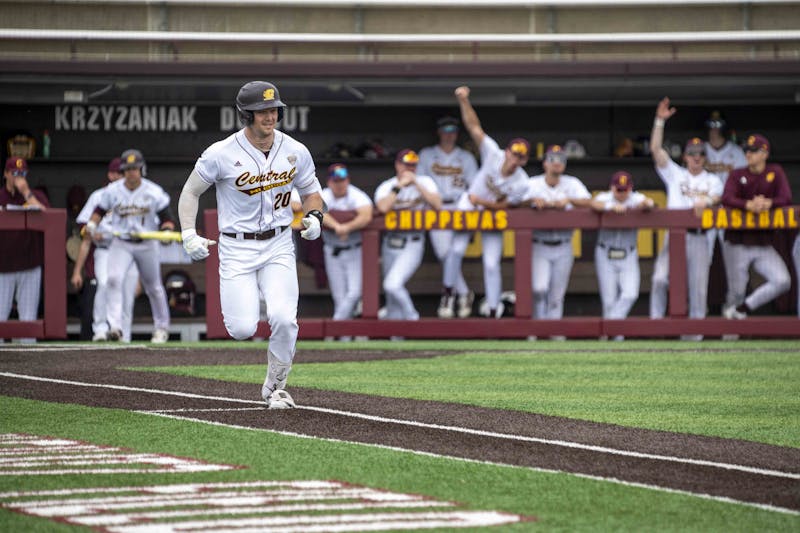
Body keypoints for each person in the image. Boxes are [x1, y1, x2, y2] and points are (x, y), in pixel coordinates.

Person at [178, 80, 324, 410]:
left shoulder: (295, 150)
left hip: (279, 243)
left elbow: (312, 190)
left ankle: (277, 386)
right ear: (246, 114)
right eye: (262, 111)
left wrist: (315, 217)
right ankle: (262, 349)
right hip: (236, 247)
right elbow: (190, 192)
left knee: (285, 319)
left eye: (273, 110)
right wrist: (188, 232)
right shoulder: (221, 153)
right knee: (242, 328)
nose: (270, 116)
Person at [451, 85, 532, 318]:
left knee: (491, 264)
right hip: (469, 204)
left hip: (491, 213)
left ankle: (494, 310)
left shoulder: (522, 182)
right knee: (454, 251)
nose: (516, 159)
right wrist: (464, 101)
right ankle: (451, 296)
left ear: (525, 160)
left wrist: (483, 203)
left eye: (521, 157)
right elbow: (474, 127)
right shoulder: (493, 153)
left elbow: (507, 206)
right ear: (507, 152)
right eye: (514, 154)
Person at [85, 149, 174, 343]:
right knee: (114, 280)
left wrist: (167, 232)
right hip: (122, 242)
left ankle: (161, 328)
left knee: (154, 287)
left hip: (147, 242)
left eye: (135, 168)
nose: (131, 173)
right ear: (123, 170)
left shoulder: (153, 191)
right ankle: (115, 327)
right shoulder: (114, 190)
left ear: (141, 168)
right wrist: (91, 225)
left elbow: (167, 218)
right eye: (128, 169)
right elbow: (99, 210)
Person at [649, 97, 724, 326]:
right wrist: (660, 121)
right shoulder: (676, 174)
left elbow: (719, 196)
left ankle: (694, 338)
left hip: (700, 237)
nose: (696, 157)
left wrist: (707, 199)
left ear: (705, 157)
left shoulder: (713, 179)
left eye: (700, 153)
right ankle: (655, 325)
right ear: (685, 156)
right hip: (674, 236)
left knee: (698, 289)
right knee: (660, 279)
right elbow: (655, 149)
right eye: (692, 153)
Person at [721, 134, 792, 319]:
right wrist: (748, 205)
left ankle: (745, 308)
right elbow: (727, 198)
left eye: (753, 151)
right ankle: (728, 339)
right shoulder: (737, 174)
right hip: (737, 241)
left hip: (763, 242)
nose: (748, 154)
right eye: (746, 151)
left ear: (764, 153)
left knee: (782, 280)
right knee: (736, 292)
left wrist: (769, 203)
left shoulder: (775, 172)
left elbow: (786, 198)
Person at [71, 157, 140, 342]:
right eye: (119, 172)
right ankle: (100, 329)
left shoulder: (135, 197)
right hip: (105, 249)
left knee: (126, 292)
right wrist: (94, 234)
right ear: (111, 174)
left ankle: (123, 333)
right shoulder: (99, 196)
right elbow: (84, 228)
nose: (122, 176)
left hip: (127, 249)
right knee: (103, 283)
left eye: (125, 172)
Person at [417, 116, 479, 319]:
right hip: (437, 208)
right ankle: (463, 293)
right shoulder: (427, 155)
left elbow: (474, 187)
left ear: (457, 133)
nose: (449, 134)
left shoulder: (466, 157)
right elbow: (420, 183)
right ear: (439, 132)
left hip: (461, 207)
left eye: (453, 130)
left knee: (457, 251)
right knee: (445, 254)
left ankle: (449, 296)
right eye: (445, 130)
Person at [374, 149, 442, 320]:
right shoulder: (388, 186)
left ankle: (413, 317)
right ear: (397, 165)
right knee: (391, 299)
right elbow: (382, 207)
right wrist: (399, 186)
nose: (410, 169)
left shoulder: (425, 182)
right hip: (391, 242)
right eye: (406, 165)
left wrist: (416, 184)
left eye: (413, 165)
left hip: (413, 240)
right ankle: (398, 342)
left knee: (392, 285)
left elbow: (437, 205)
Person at [527, 144, 592, 320]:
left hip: (563, 243)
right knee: (539, 288)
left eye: (561, 159)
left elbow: (589, 202)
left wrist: (569, 200)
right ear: (545, 164)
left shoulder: (572, 183)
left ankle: (554, 336)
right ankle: (537, 329)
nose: (557, 163)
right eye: (552, 159)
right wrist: (532, 201)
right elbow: (514, 200)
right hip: (539, 243)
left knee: (556, 295)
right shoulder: (532, 183)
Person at [590, 171, 655, 325]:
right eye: (618, 189)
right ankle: (614, 340)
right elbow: (593, 203)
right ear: (612, 188)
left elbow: (649, 203)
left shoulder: (635, 197)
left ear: (630, 188)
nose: (621, 193)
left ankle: (609, 327)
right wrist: (611, 207)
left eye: (624, 190)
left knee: (630, 294)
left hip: (628, 253)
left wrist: (644, 204)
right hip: (605, 252)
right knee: (609, 301)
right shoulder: (605, 198)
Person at [0, 157, 50, 343]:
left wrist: (26, 192)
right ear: (5, 174)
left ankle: (28, 361)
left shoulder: (35, 196)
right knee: (0, 317)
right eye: (14, 173)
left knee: (28, 318)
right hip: (3, 267)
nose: (18, 177)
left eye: (22, 174)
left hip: (29, 265)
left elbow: (47, 217)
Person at [320, 163, 374, 323]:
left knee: (354, 293)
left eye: (342, 180)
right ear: (329, 182)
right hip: (332, 250)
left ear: (348, 180)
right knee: (339, 296)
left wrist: (347, 228)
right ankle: (343, 340)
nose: (340, 184)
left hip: (354, 249)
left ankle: (335, 326)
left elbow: (366, 215)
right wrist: (337, 227)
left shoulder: (356, 195)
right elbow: (316, 210)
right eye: (336, 181)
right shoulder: (325, 194)